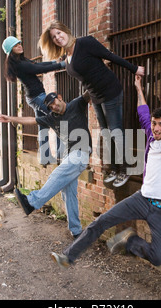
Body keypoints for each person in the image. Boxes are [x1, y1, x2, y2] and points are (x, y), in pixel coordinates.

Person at [50, 53, 161, 268]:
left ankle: (130, 241)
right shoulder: (150, 133)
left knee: (157, 257)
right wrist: (138, 88)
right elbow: (142, 111)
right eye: (154, 123)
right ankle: (68, 256)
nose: (155, 128)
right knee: (100, 222)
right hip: (141, 199)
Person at [39, 21, 145, 187]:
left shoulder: (85, 43)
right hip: (95, 97)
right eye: (54, 37)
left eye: (59, 33)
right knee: (106, 132)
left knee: (115, 131)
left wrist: (134, 68)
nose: (58, 38)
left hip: (110, 91)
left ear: (66, 31)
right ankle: (114, 168)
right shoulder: (67, 58)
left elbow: (109, 56)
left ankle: (124, 170)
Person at [0, 91, 92, 238]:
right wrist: (10, 118)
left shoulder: (76, 104)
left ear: (60, 98)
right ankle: (77, 231)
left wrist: (96, 71)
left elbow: (89, 92)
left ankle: (32, 202)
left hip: (80, 153)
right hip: (69, 155)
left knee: (57, 175)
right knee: (69, 193)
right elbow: (32, 120)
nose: (54, 106)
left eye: (54, 102)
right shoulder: (51, 118)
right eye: (50, 106)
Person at [2, 36, 64, 165]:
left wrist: (54, 62)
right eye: (16, 45)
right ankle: (61, 155)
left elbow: (38, 64)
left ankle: (45, 158)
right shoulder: (20, 64)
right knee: (59, 120)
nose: (20, 45)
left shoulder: (21, 61)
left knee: (43, 126)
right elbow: (39, 69)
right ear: (10, 51)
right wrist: (61, 65)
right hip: (38, 97)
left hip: (34, 97)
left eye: (19, 43)